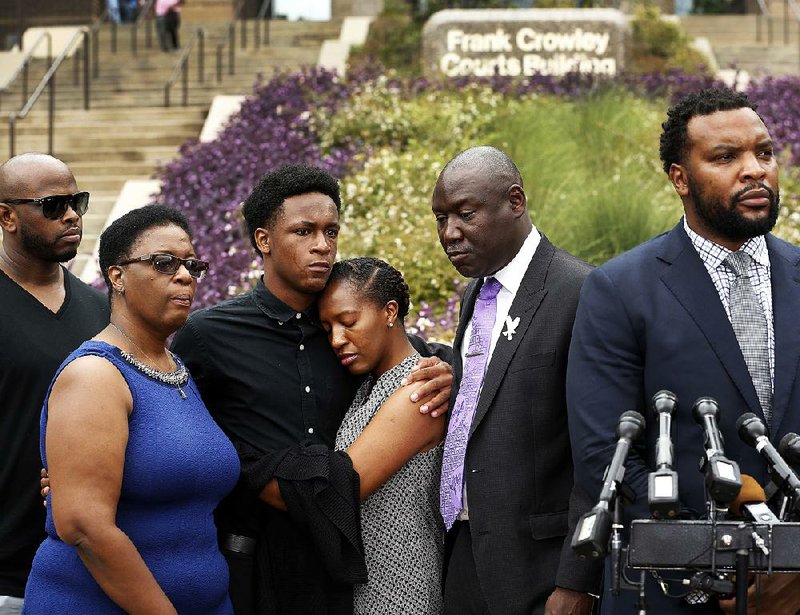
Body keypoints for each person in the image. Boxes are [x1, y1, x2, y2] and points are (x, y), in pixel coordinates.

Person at [171, 163, 452, 615]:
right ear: (263, 240)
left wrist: (450, 373)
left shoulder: (348, 331)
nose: (322, 246)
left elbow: (412, 356)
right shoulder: (209, 335)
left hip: (350, 571)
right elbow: (168, 421)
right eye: (304, 231)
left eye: (331, 231)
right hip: (255, 565)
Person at [567, 87, 800, 614]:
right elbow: (605, 458)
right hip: (673, 588)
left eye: (763, 153)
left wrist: (786, 566)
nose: (754, 170)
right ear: (679, 178)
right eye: (725, 157)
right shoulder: (619, 289)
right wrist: (721, 547)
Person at [23, 205, 239, 614]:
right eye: (163, 263)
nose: (184, 275)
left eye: (192, 264)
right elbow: (86, 528)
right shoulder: (94, 375)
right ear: (117, 276)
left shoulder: (177, 371)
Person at [431, 145, 601, 615]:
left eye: (465, 214)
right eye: (440, 219)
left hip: (542, 571)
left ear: (516, 201)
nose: (450, 233)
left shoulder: (581, 290)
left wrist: (578, 579)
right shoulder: (476, 294)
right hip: (466, 554)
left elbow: (601, 453)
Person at [0, 153, 108, 615]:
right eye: (52, 205)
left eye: (77, 202)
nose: (71, 216)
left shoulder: (101, 310)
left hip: (90, 568)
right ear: (6, 216)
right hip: (8, 576)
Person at [319, 257, 446, 615]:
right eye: (327, 328)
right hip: (367, 582)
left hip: (402, 584)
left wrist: (255, 471)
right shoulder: (368, 387)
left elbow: (345, 486)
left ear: (390, 312)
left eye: (348, 322)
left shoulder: (417, 391)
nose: (337, 340)